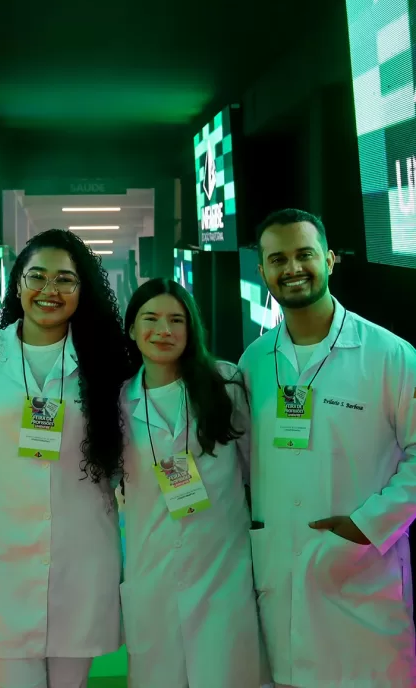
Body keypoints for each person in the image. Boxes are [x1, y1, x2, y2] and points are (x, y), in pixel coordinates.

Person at [0, 229, 129, 688]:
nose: (50, 290)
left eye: (66, 279)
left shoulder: (110, 362)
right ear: (17, 283)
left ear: (82, 290)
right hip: (0, 556)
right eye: (37, 276)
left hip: (82, 555)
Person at [239, 207, 416, 688]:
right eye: (278, 259)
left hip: (363, 577)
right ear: (263, 272)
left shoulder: (389, 355)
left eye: (304, 254)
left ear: (331, 259)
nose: (292, 268)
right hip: (280, 571)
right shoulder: (255, 360)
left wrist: (367, 526)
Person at [119, 278, 263, 688]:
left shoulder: (226, 383)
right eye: (150, 318)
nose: (163, 330)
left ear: (191, 327)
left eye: (176, 320)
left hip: (223, 576)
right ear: (132, 328)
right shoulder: (119, 403)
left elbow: (256, 471)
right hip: (153, 578)